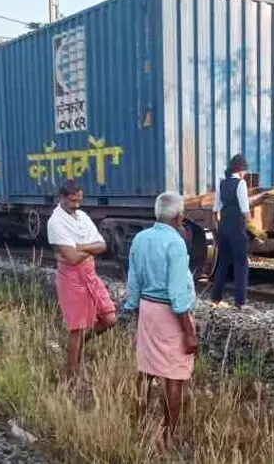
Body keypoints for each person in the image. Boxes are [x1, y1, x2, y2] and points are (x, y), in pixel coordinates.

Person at [123, 191, 198, 449]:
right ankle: (168, 437)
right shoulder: (175, 243)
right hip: (170, 314)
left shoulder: (140, 238)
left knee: (146, 370)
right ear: (179, 217)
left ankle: (138, 426)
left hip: (147, 308)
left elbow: (133, 282)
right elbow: (177, 294)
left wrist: (137, 314)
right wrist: (189, 332)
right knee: (173, 375)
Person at [46, 180, 117, 379]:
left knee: (109, 318)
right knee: (76, 327)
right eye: (73, 200)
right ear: (62, 198)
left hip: (89, 273)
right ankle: (72, 374)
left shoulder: (83, 216)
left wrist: (79, 247)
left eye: (80, 199)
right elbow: (72, 258)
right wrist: (88, 249)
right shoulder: (55, 222)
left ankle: (77, 347)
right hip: (71, 277)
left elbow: (103, 245)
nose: (77, 203)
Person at [209, 154, 251, 309]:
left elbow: (215, 209)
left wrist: (219, 225)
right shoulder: (241, 183)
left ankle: (216, 298)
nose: (245, 174)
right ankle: (240, 302)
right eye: (245, 171)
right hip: (236, 227)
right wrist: (252, 226)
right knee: (241, 264)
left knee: (223, 262)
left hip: (223, 227)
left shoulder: (222, 183)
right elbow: (245, 210)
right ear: (240, 170)